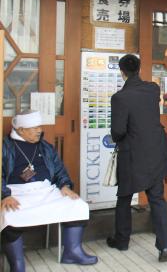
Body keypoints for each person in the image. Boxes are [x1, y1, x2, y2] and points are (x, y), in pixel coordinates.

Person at [2, 110, 97, 271]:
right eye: (34, 128)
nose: (39, 130)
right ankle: (17, 264)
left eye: (40, 126)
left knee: (77, 205)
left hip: (46, 190)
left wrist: (65, 185)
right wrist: (4, 195)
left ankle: (72, 252)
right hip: (16, 192)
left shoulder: (45, 147)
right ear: (21, 130)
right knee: (9, 215)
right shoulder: (4, 147)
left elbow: (59, 170)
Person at [107, 54, 167, 262]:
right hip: (156, 150)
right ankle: (164, 248)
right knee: (157, 198)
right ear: (139, 69)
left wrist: (118, 136)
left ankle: (122, 240)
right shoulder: (152, 89)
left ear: (122, 72)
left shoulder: (120, 98)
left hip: (132, 154)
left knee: (124, 197)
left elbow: (118, 131)